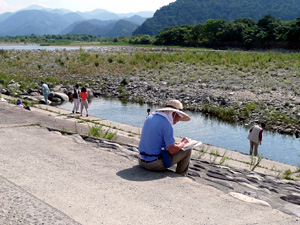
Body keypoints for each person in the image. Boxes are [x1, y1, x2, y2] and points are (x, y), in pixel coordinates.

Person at [138, 99, 192, 175]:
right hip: (153, 164)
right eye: (179, 117)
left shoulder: (150, 117)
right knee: (187, 149)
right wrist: (184, 142)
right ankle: (180, 175)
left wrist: (176, 144)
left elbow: (156, 140)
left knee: (178, 146)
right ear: (174, 113)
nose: (178, 120)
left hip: (141, 161)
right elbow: (172, 150)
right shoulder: (166, 124)